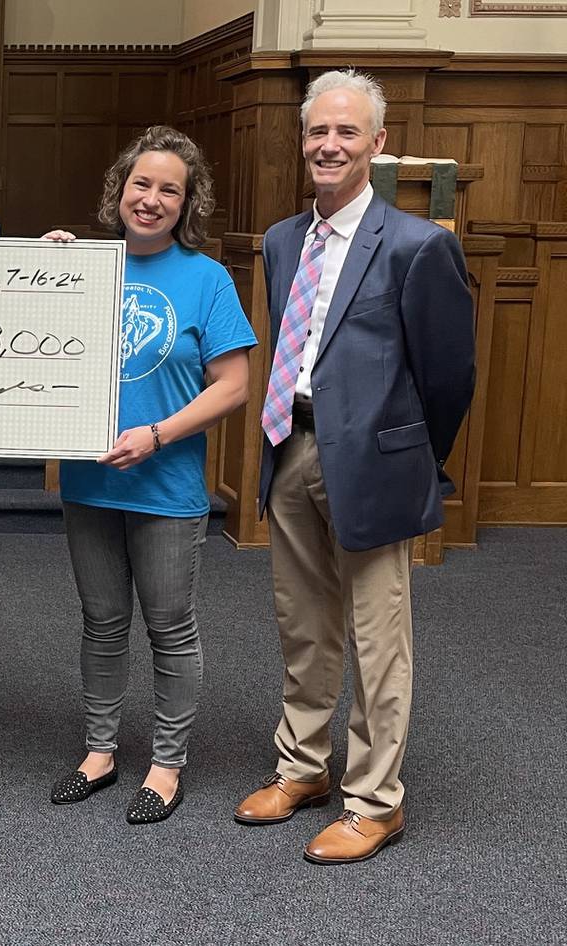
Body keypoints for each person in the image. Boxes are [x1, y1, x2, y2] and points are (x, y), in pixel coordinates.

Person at [234, 70, 475, 863]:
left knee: (379, 641)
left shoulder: (418, 244)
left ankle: (375, 801)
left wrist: (408, 456)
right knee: (303, 626)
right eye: (316, 132)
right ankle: (302, 766)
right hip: (291, 445)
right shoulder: (279, 240)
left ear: (377, 143)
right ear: (301, 142)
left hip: (377, 463)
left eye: (346, 132)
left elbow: (447, 377)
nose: (328, 145)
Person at [43, 127, 255, 823]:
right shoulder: (86, 267)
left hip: (166, 488)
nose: (152, 198)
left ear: (186, 201)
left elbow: (234, 384)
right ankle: (99, 752)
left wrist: (158, 434)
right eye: (142, 184)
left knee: (170, 627)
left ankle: (167, 766)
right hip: (90, 481)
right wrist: (38, 273)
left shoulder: (205, 278)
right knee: (102, 623)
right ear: (120, 190)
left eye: (170, 188)